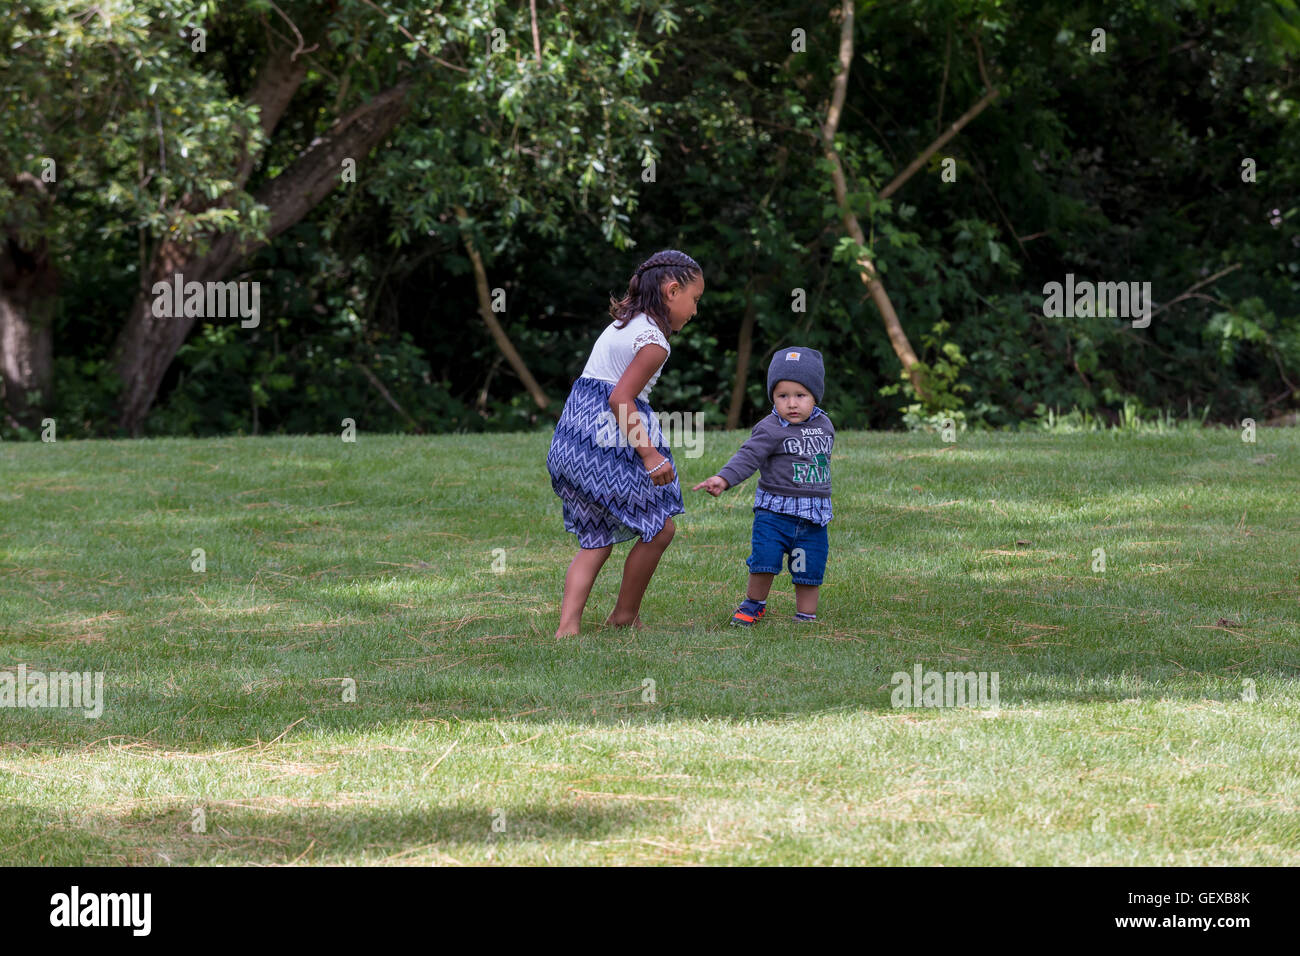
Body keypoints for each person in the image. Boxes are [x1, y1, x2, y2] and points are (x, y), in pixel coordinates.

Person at [546, 249, 704, 638]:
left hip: (571, 442)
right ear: (671, 291)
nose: (695, 310)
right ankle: (623, 616)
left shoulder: (623, 323)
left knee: (596, 538)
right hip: (605, 443)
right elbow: (620, 399)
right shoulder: (654, 341)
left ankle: (567, 630)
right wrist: (650, 455)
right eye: (695, 299)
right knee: (660, 528)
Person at [693, 347, 834, 626]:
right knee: (764, 561)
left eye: (800, 395)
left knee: (809, 567)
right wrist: (724, 479)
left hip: (814, 516)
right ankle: (754, 603)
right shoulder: (770, 428)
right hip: (774, 513)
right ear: (773, 397)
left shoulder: (825, 425)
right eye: (783, 396)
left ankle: (806, 615)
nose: (792, 403)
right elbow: (748, 457)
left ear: (815, 395)